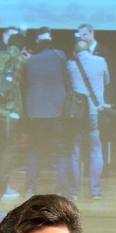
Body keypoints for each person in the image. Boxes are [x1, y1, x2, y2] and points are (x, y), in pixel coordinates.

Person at [20, 29, 71, 195]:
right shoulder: (60, 55)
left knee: (34, 150)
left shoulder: (29, 60)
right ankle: (62, 189)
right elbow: (66, 77)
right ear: (50, 41)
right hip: (57, 110)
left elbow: (26, 81)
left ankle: (30, 187)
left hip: (35, 111)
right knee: (61, 151)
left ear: (36, 42)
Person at [66, 39, 109, 199]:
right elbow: (107, 81)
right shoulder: (101, 61)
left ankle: (74, 192)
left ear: (74, 53)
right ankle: (95, 191)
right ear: (89, 50)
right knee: (96, 150)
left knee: (75, 150)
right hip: (94, 112)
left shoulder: (70, 65)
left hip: (77, 113)